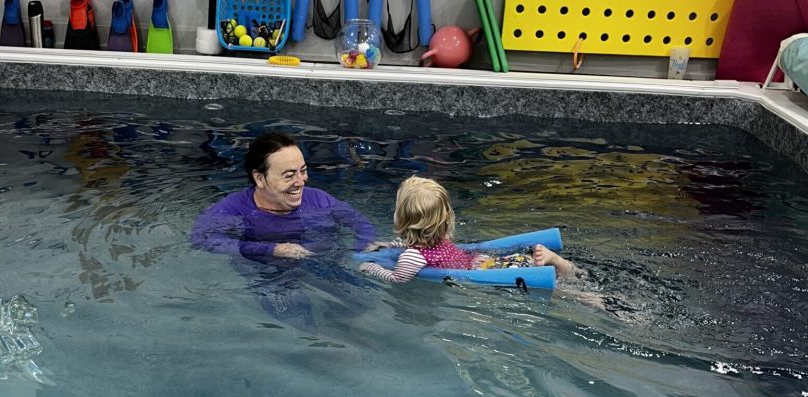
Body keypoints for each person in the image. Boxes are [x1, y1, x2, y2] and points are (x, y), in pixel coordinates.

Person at [190, 132, 376, 331]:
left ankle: (336, 326)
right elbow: (200, 239)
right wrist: (272, 249)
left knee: (364, 301)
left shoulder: (319, 200)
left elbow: (360, 224)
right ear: (260, 178)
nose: (301, 181)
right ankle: (320, 342)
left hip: (321, 263)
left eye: (302, 171)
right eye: (289, 175)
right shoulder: (233, 209)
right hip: (268, 272)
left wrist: (364, 247)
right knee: (297, 318)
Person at [358, 176, 574, 284]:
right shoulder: (442, 236)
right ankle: (559, 262)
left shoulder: (412, 258)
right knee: (572, 283)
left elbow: (398, 279)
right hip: (493, 261)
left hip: (491, 273)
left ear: (402, 218)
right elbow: (416, 245)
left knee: (563, 291)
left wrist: (371, 268)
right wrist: (392, 245)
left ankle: (559, 266)